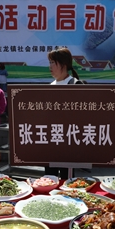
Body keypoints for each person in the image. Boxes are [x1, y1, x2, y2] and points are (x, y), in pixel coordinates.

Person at [46, 47, 83, 179]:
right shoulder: (50, 86)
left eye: (53, 63)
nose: (50, 66)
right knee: (49, 180)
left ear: (64, 64)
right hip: (51, 140)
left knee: (67, 180)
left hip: (68, 142)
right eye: (49, 62)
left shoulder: (75, 84)